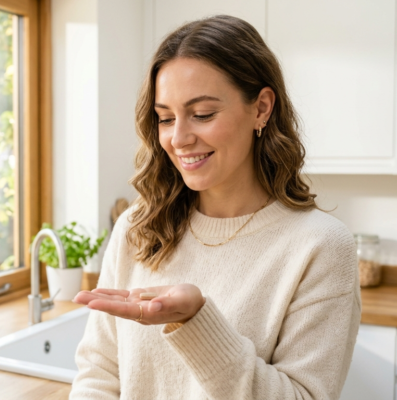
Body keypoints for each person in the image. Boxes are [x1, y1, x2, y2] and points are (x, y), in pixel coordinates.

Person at [69, 15, 360, 400]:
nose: (179, 138)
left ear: (261, 108)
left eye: (202, 114)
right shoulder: (138, 227)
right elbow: (98, 374)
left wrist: (196, 322)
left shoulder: (321, 248)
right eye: (165, 118)